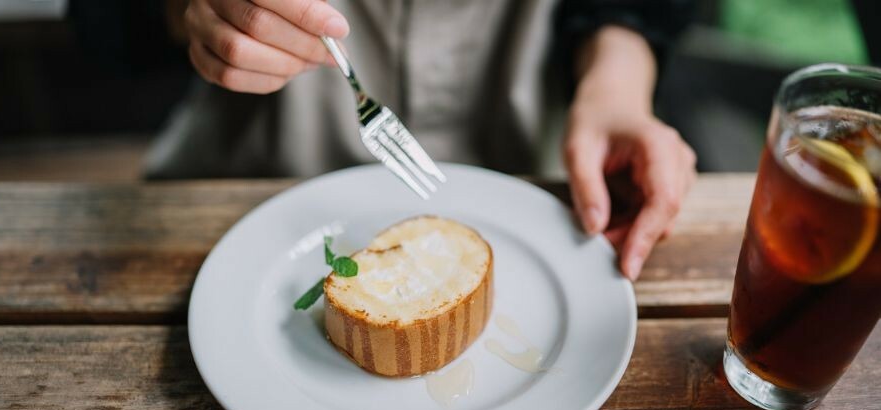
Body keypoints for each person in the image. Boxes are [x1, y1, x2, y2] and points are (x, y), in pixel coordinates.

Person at [153, 0, 697, 281]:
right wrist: (194, 10)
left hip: (540, 174)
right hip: (235, 187)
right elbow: (103, 21)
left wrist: (618, 76)